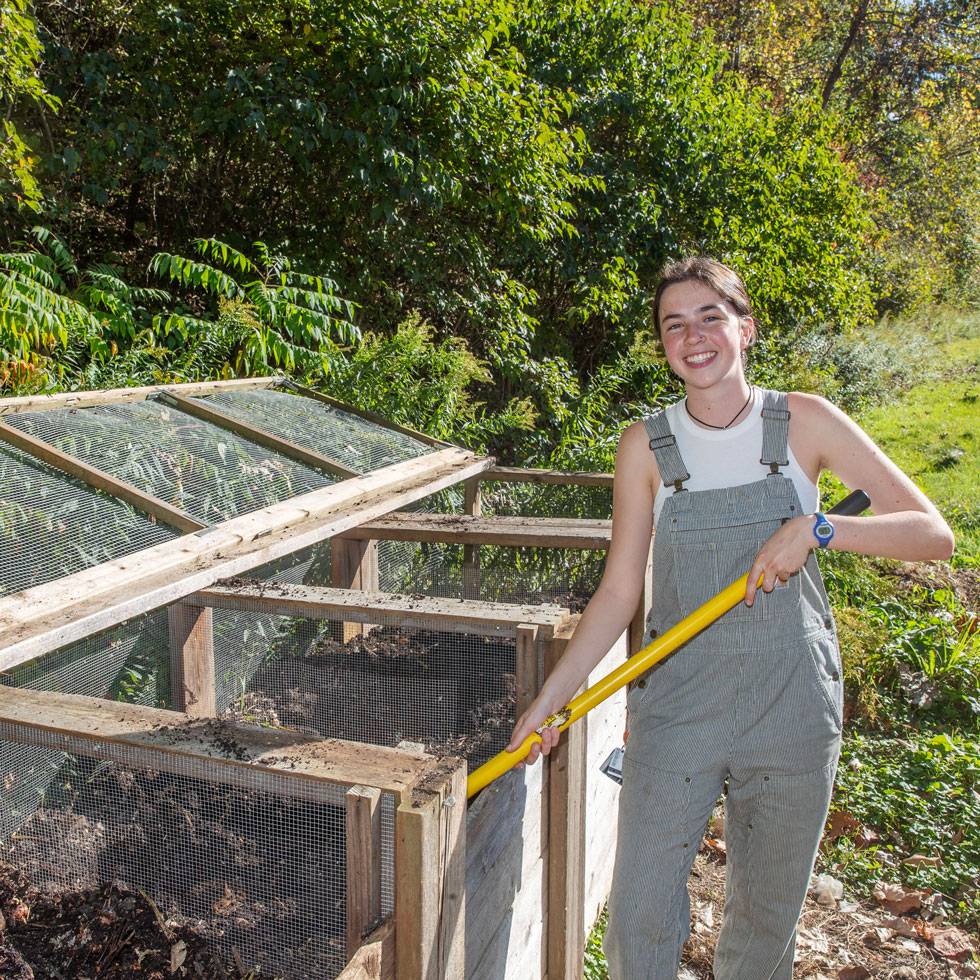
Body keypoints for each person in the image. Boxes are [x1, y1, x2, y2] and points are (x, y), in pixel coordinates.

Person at [506, 257, 954, 979]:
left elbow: (933, 534)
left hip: (792, 701)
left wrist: (819, 530)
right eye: (673, 324)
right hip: (678, 702)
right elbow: (620, 592)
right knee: (639, 920)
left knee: (763, 924)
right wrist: (549, 699)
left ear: (745, 328)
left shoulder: (803, 421)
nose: (694, 335)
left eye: (711, 316)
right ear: (663, 345)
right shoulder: (646, 446)